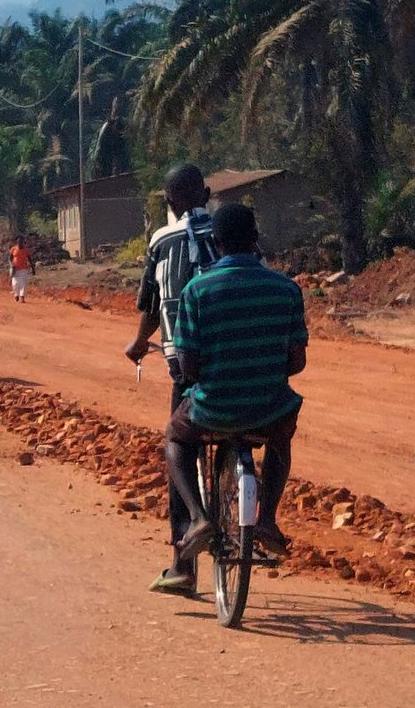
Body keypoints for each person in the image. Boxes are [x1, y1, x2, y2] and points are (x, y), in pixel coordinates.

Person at [166, 203, 307, 563]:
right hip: (269, 409)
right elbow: (297, 361)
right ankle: (268, 520)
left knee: (176, 439)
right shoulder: (286, 290)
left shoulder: (197, 290)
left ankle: (197, 519)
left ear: (215, 241)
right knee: (280, 443)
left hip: (213, 408)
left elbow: (189, 363)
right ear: (256, 240)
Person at [124, 164, 218, 597]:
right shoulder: (232, 232)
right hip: (240, 365)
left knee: (178, 443)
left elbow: (150, 304)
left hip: (188, 368)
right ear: (208, 194)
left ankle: (181, 560)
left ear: (169, 202)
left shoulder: (162, 241)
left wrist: (140, 342)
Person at [9, 236, 34, 302]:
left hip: (24, 269)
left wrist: (33, 268)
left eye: (21, 241)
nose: (19, 243)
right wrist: (11, 265)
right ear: (16, 242)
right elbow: (10, 258)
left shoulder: (26, 250)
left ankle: (22, 296)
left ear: (23, 242)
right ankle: (16, 294)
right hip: (15, 269)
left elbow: (30, 259)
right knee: (15, 283)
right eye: (18, 241)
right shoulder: (13, 249)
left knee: (24, 283)